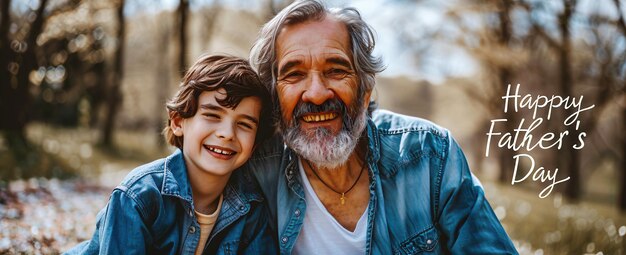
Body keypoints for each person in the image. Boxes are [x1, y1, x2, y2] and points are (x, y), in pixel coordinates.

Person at [246, 0, 518, 254]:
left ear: (365, 91)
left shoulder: (430, 154)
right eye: (294, 74)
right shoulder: (256, 172)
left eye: (336, 70)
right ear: (274, 98)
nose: (316, 94)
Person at [65, 55, 276, 255]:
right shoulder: (139, 197)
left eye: (244, 124)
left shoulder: (253, 209)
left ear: (255, 143)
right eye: (212, 115)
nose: (227, 133)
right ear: (177, 122)